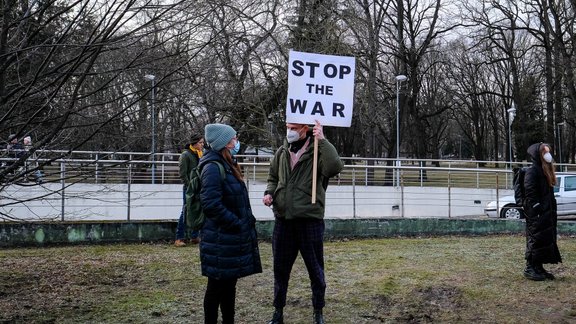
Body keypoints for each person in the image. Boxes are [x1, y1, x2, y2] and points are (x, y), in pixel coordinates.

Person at [263, 120, 344, 324]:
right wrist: (269, 193)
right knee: (280, 269)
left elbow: (335, 167)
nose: (289, 131)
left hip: (310, 222)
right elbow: (273, 177)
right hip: (284, 221)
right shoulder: (282, 151)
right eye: (287, 127)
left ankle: (318, 311)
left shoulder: (317, 150)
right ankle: (278, 311)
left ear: (304, 129)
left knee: (315, 270)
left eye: (293, 128)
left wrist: (322, 139)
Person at [199, 123, 262, 324]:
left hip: (228, 239)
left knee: (228, 286)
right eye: (234, 138)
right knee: (216, 289)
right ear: (225, 143)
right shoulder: (212, 167)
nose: (237, 142)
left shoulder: (226, 164)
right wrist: (236, 223)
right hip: (221, 239)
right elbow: (210, 204)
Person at [522, 142, 563, 281]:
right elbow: (530, 191)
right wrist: (537, 207)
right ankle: (530, 267)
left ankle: (538, 267)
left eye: (548, 151)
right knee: (536, 238)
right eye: (545, 152)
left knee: (543, 238)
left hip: (546, 211)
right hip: (537, 213)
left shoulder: (545, 170)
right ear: (539, 155)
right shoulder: (533, 171)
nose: (548, 154)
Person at [174, 133, 204, 247]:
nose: (202, 144)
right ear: (194, 143)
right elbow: (182, 174)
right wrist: (190, 186)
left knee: (197, 211)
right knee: (186, 210)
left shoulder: (201, 154)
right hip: (189, 188)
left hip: (199, 187)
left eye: (203, 142)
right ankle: (179, 237)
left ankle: (194, 236)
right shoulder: (186, 155)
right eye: (200, 142)